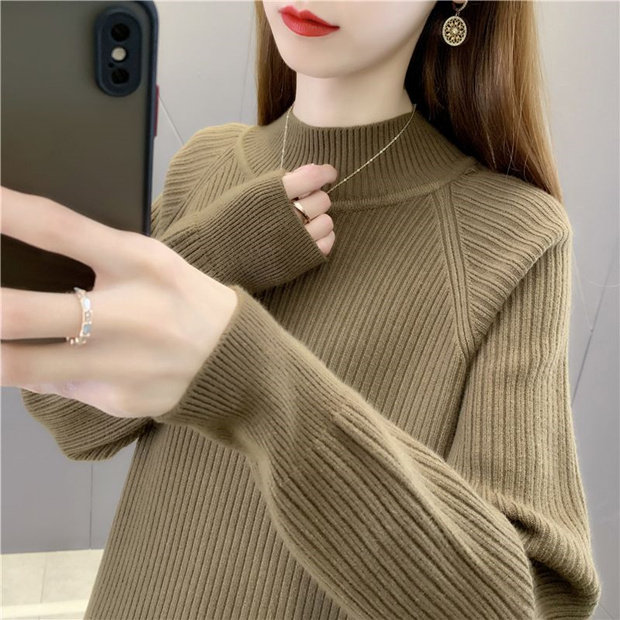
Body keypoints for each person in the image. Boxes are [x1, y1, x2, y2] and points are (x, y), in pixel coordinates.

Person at [1, 1, 602, 618]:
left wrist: (250, 375)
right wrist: (217, 255)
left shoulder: (511, 235)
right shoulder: (206, 165)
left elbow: (527, 604)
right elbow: (69, 417)